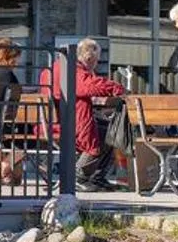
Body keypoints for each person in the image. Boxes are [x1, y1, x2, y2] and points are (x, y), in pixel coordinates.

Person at [37, 36, 127, 190]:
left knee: (106, 130)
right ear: (89, 57)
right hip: (72, 124)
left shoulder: (51, 69)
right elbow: (89, 86)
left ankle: (93, 176)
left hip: (51, 124)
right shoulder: (72, 69)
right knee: (110, 134)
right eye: (96, 60)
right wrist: (119, 89)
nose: (96, 64)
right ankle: (79, 176)